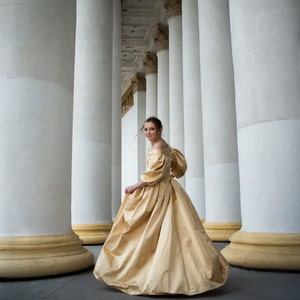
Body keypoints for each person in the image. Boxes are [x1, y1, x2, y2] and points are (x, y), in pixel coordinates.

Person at [93, 116, 229, 295]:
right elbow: (175, 167)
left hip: (159, 192)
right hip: (165, 188)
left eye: (152, 129)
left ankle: (160, 274)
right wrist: (168, 174)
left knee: (151, 229)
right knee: (162, 231)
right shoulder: (165, 147)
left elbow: (153, 175)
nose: (148, 133)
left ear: (160, 130)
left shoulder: (159, 148)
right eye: (146, 129)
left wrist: (135, 186)